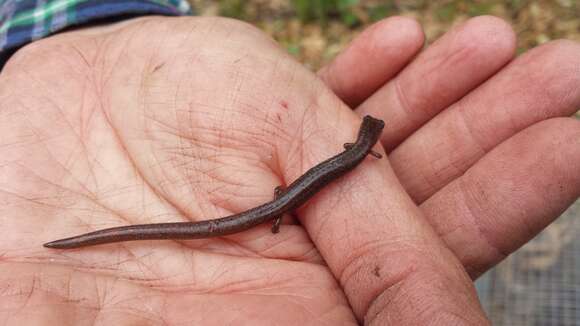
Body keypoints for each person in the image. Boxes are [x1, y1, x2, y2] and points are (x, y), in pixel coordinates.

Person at [1, 1, 579, 324]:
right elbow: (350, 158)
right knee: (269, 208)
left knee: (272, 207)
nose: (367, 140)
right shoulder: (360, 156)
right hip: (276, 205)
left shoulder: (355, 154)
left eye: (366, 139)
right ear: (366, 142)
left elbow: (346, 158)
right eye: (368, 138)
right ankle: (270, 212)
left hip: (278, 204)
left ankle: (274, 212)